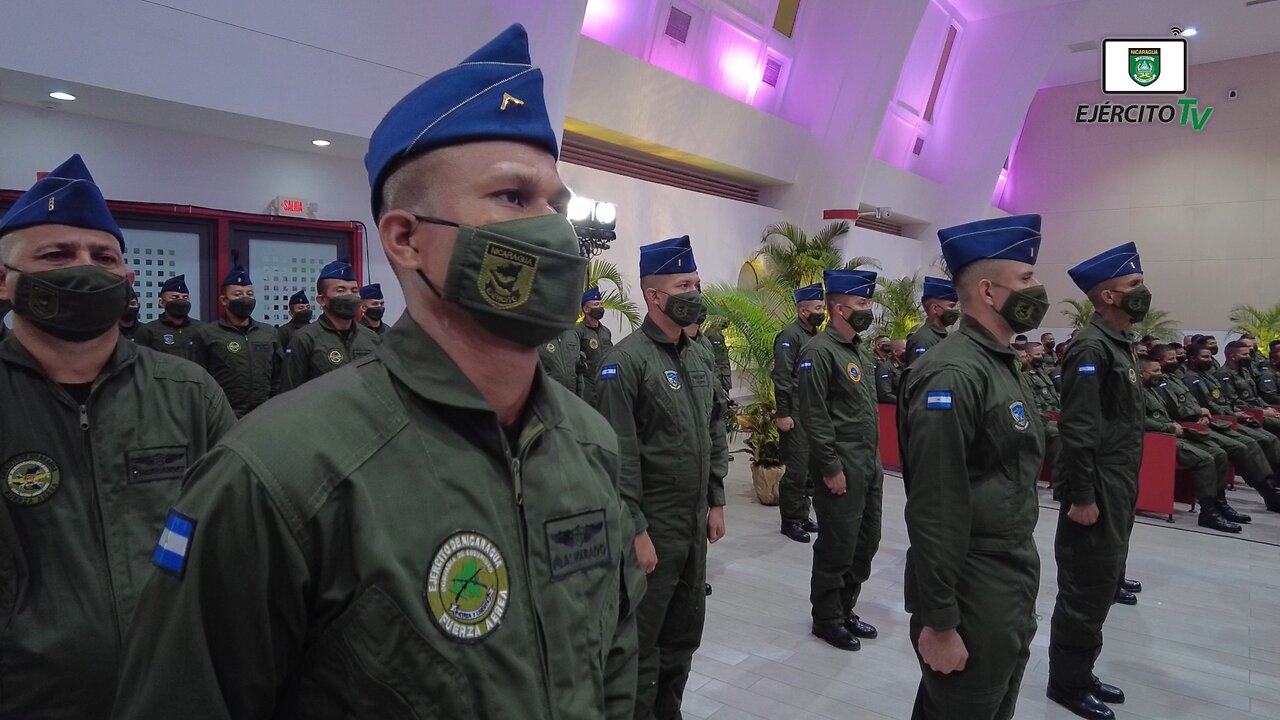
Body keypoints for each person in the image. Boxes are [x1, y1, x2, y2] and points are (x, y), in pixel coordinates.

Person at [114, 24, 640, 719]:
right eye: (513, 198)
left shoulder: (589, 444)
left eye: (556, 204)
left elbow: (614, 666)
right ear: (406, 238)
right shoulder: (276, 478)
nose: (551, 229)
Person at [0, 154, 235, 718]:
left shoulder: (189, 394)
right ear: (5, 281)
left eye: (103, 256)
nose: (85, 267)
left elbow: (237, 542)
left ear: (128, 281)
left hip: (180, 693)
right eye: (56, 254)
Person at [899, 214, 1048, 720]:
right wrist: (940, 620)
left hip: (1006, 574)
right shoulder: (954, 372)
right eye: (1026, 279)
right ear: (988, 290)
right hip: (972, 584)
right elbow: (935, 504)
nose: (1038, 289)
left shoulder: (997, 363)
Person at [592, 234, 728, 720]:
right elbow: (617, 456)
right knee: (641, 642)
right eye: (683, 283)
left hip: (692, 525)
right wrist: (637, 530)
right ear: (654, 296)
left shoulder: (698, 356)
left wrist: (716, 498)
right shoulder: (625, 363)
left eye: (696, 281)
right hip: (653, 526)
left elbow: (714, 426)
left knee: (684, 636)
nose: (696, 290)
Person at [1048, 241, 1149, 720]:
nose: (1141, 292)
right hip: (1095, 488)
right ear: (1107, 295)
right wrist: (1083, 495)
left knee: (1102, 580)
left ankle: (1081, 672)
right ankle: (1066, 684)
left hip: (1115, 481)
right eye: (1133, 285)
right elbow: (1080, 428)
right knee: (1085, 587)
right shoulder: (1091, 347)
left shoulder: (1117, 345)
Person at [799, 268, 883, 652]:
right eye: (862, 303)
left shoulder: (860, 353)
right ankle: (826, 617)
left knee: (866, 542)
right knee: (838, 544)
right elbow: (814, 415)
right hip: (841, 467)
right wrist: (831, 467)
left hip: (868, 465)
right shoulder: (818, 352)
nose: (868, 310)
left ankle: (846, 607)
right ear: (837, 308)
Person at [1151, 343, 1278, 513]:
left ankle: (1268, 489)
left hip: (1210, 419)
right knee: (1232, 449)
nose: (1176, 361)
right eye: (1172, 359)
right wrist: (1200, 412)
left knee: (1248, 443)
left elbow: (1201, 402)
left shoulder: (1177, 379)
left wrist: (1203, 413)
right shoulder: (1169, 382)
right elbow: (1180, 409)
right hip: (1188, 426)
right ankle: (1218, 505)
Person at [1137, 356, 1240, 532]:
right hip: (1155, 439)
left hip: (1171, 434)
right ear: (1140, 373)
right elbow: (1137, 420)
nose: (1160, 374)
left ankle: (1219, 503)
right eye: (1155, 371)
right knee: (1204, 459)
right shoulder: (1134, 392)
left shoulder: (1153, 389)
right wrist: (1168, 426)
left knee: (1219, 453)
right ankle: (1208, 512)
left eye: (1159, 370)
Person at [188, 266, 283, 418]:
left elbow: (278, 376)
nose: (245, 298)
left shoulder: (268, 333)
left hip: (263, 415)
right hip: (223, 415)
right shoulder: (207, 334)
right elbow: (197, 379)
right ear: (224, 300)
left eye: (249, 294)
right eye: (237, 294)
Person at [772, 282, 825, 543]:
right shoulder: (789, 336)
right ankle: (790, 520)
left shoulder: (815, 336)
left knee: (809, 469)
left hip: (812, 412)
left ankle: (803, 514)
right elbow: (781, 376)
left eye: (822, 307)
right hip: (794, 411)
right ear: (802, 311)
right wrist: (783, 412)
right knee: (796, 469)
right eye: (817, 307)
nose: (821, 312)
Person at [281, 257, 380, 390]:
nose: (349, 295)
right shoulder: (304, 339)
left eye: (354, 291)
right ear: (322, 300)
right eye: (341, 290)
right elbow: (290, 392)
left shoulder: (370, 337)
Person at [132, 272, 201, 358]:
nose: (181, 301)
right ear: (162, 302)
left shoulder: (201, 330)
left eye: (185, 297)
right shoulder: (148, 331)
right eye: (175, 297)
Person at [1222, 340, 1280, 434]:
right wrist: (1262, 411)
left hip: (1259, 409)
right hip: (1246, 413)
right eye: (1244, 354)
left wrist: (1267, 407)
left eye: (1248, 354)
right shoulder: (1224, 374)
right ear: (1233, 357)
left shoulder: (1245, 371)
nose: (1248, 357)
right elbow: (1234, 401)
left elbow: (1255, 395)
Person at [1026, 341, 1062, 475]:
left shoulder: (1041, 372)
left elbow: (1054, 396)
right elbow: (1033, 404)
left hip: (1055, 412)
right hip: (1041, 417)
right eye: (1037, 354)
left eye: (1042, 353)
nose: (1041, 356)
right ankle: (1056, 476)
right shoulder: (1025, 376)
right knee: (1060, 432)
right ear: (1028, 356)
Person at [906, 276, 958, 365]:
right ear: (934, 308)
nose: (956, 310)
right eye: (951, 306)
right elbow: (920, 375)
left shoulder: (941, 336)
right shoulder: (923, 340)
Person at [576, 285, 613, 403]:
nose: (600, 307)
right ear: (586, 309)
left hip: (605, 384)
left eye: (601, 304)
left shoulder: (606, 331)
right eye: (596, 305)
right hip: (587, 386)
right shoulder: (577, 331)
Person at [539, 324, 584, 394]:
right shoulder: (539, 335)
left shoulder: (572, 335)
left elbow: (578, 370)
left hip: (571, 395)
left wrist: (580, 397)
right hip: (548, 396)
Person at [874, 334, 902, 404]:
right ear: (878, 345)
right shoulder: (871, 361)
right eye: (885, 342)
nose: (888, 344)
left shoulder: (892, 361)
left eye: (889, 342)